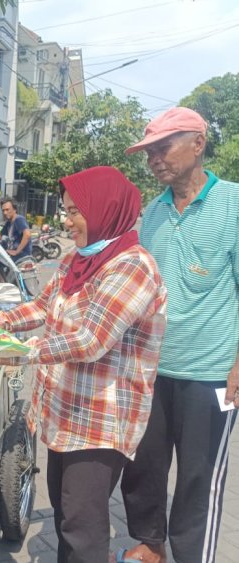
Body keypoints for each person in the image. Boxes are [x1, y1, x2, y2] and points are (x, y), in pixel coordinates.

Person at [0, 166, 167, 563]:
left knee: (82, 528)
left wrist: (14, 349)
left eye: (75, 211)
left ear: (104, 209)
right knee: (66, 515)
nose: (65, 221)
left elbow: (92, 340)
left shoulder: (131, 266)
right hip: (62, 415)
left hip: (98, 422)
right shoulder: (77, 260)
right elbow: (41, 306)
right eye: (65, 210)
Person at [119, 107, 239, 563]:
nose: (153, 159)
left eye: (162, 147)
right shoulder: (153, 214)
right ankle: (151, 545)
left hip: (210, 374)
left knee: (198, 478)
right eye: (148, 152)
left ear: (198, 143)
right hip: (152, 369)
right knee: (144, 467)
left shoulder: (232, 204)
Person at [0, 197, 32, 262]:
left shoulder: (19, 219)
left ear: (14, 210)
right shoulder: (9, 223)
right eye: (3, 210)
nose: (5, 213)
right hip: (13, 254)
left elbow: (27, 234)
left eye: (7, 210)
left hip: (22, 255)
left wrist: (17, 251)